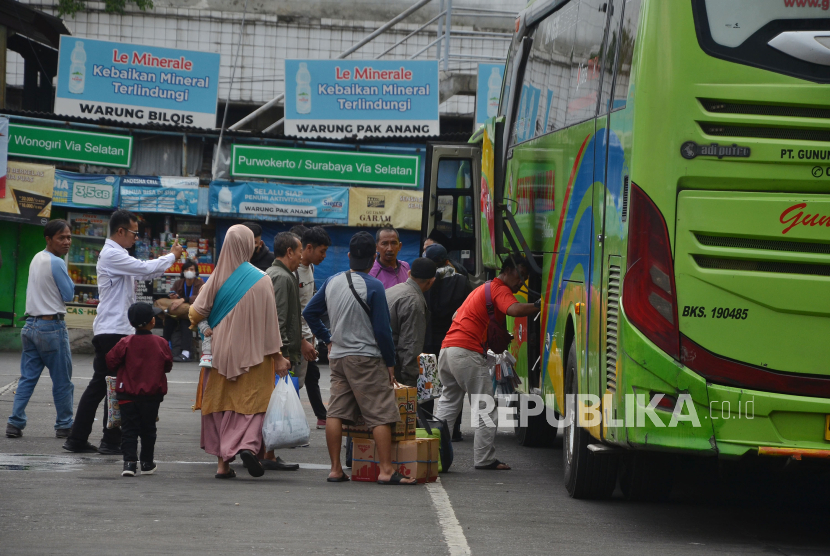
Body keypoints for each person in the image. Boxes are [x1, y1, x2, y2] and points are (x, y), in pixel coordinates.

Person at [63, 210, 182, 455]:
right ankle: (105, 440)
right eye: (134, 233)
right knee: (112, 385)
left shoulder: (117, 254)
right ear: (120, 231)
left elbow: (147, 271)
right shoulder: (112, 254)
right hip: (113, 330)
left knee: (107, 385)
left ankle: (88, 438)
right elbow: (143, 268)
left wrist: (169, 258)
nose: (135, 238)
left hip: (114, 328)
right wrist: (172, 256)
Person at [303, 231, 416, 485]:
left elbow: (310, 312)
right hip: (367, 359)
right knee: (380, 413)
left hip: (339, 358)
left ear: (349, 255)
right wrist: (390, 363)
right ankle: (386, 471)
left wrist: (328, 338)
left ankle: (335, 469)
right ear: (373, 257)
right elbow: (382, 331)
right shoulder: (374, 286)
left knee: (336, 413)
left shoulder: (332, 281)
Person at [189, 225, 292, 479]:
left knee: (219, 404)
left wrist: (206, 324)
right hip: (255, 355)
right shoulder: (262, 279)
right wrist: (278, 356)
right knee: (253, 403)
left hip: (218, 355)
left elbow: (195, 313)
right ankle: (246, 445)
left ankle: (223, 465)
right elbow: (271, 323)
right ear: (248, 246)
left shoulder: (214, 277)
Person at [434, 256, 540, 470]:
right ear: (508, 270)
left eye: (526, 278)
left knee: (448, 403)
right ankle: (484, 459)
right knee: (486, 407)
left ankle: (432, 454)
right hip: (466, 352)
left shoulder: (482, 289)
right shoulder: (500, 288)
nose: (521, 282)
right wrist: (540, 305)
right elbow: (515, 310)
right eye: (521, 275)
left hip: (447, 349)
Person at [6, 220, 75, 440]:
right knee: (62, 380)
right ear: (49, 239)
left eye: (69, 237)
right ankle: (64, 425)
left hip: (30, 326)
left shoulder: (37, 257)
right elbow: (69, 295)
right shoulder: (56, 262)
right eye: (61, 238)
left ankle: (14, 423)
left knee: (27, 378)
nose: (67, 242)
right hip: (51, 328)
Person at [105, 303, 172, 477]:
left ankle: (129, 463)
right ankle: (147, 463)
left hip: (127, 394)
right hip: (152, 395)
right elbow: (168, 365)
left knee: (129, 429)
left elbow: (110, 361)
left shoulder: (125, 342)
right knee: (148, 429)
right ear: (152, 321)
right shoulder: (161, 343)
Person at [261, 231, 307, 471]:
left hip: (281, 350)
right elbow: (278, 319)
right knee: (273, 402)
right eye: (300, 251)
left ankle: (268, 451)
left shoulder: (281, 274)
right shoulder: (280, 277)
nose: (302, 256)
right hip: (279, 352)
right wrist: (282, 353)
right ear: (289, 252)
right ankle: (267, 453)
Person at [423, 243, 473, 440]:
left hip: (427, 341)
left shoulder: (424, 280)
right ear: (447, 260)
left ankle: (426, 426)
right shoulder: (461, 280)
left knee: (427, 388)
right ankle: (454, 430)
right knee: (452, 387)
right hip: (452, 339)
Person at [289, 225, 331, 430]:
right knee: (291, 383)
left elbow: (308, 305)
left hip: (308, 336)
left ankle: (295, 425)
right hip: (295, 339)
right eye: (322, 251)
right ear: (308, 248)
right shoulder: (292, 271)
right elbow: (290, 311)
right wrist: (302, 340)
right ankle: (290, 426)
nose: (324, 256)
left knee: (304, 379)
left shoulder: (311, 268)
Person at [385, 258, 436, 387]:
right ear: (431, 282)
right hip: (394, 366)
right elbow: (410, 346)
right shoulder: (414, 302)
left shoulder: (393, 290)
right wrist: (411, 382)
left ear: (409, 274)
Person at [163, 259, 203, 362]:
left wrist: (183, 299)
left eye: (191, 269)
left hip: (193, 313)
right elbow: (173, 295)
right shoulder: (178, 283)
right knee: (168, 320)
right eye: (186, 269)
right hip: (179, 312)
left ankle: (186, 352)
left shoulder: (200, 283)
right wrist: (174, 296)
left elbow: (200, 297)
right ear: (183, 272)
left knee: (186, 322)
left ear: (196, 271)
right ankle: (164, 347)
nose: (189, 271)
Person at [370, 225, 410, 289]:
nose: (390, 249)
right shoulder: (371, 272)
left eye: (394, 243)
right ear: (377, 247)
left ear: (400, 246)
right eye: (384, 243)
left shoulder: (405, 267)